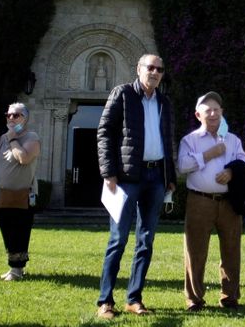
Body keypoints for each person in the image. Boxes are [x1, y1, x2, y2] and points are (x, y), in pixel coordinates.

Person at [95, 54, 177, 319]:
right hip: (127, 177)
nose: (155, 72)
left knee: (146, 241)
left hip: (156, 177)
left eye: (159, 69)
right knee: (118, 240)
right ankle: (105, 301)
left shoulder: (164, 102)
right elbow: (104, 132)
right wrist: (108, 172)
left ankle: (134, 298)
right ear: (139, 69)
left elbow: (168, 140)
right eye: (150, 67)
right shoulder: (123, 94)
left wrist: (170, 176)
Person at [177, 92, 245, 312]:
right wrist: (208, 154)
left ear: (222, 112)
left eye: (216, 110)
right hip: (200, 201)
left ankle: (230, 297)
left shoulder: (233, 139)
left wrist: (231, 171)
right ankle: (194, 299)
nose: (212, 114)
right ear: (198, 115)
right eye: (207, 110)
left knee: (231, 250)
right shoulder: (190, 140)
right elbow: (183, 166)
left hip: (229, 202)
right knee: (195, 251)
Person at [0, 102, 41, 280]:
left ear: (25, 118)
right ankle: (14, 267)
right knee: (7, 231)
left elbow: (24, 158)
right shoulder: (3, 137)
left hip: (22, 196)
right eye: (8, 115)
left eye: (16, 115)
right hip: (2, 195)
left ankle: (17, 270)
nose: (11, 118)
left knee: (19, 231)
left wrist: (13, 139)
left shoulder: (31, 137)